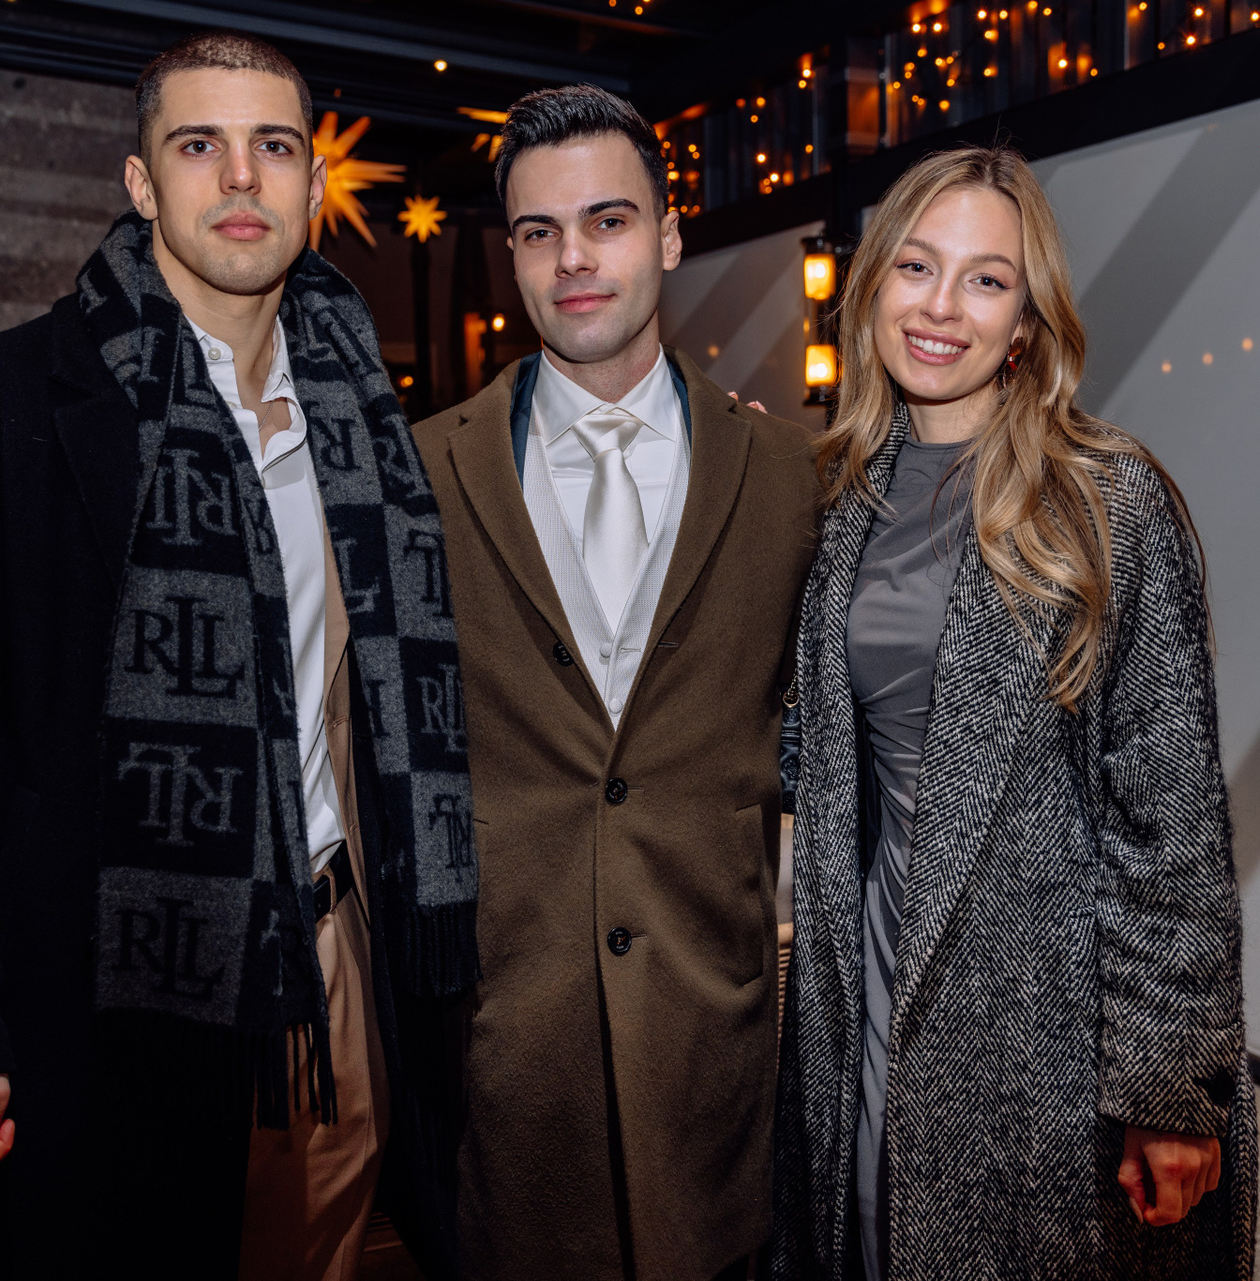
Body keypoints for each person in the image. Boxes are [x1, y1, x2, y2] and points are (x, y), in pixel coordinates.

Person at [0, 32, 471, 1280]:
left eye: (273, 146)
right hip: (100, 992)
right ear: (142, 182)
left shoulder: (366, 426)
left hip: (334, 971)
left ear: (312, 184)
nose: (241, 177)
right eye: (199, 145)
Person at [771, 145, 1258, 1281]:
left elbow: (1172, 821)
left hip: (1043, 1021)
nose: (941, 307)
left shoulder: (1102, 499)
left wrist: (1167, 1089)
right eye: (916, 267)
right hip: (869, 978)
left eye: (985, 280)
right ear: (872, 288)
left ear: (1027, 323)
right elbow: (812, 751)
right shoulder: (840, 496)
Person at [409, 86, 820, 1280]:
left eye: (608, 221)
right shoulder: (418, 472)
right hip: (509, 1055)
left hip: (714, 1043)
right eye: (538, 232)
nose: (574, 260)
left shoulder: (792, 474)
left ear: (670, 236)